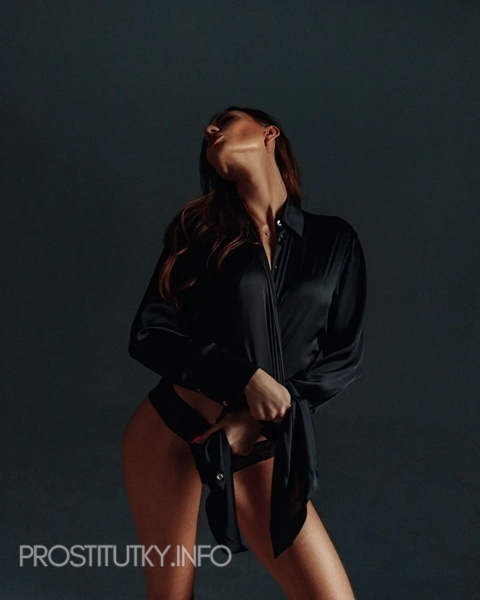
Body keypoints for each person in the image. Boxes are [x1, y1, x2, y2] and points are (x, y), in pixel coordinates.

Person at [122, 105, 367, 600]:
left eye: (226, 120)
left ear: (269, 133)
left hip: (258, 442)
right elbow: (150, 332)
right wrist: (245, 379)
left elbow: (343, 356)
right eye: (208, 129)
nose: (209, 129)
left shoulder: (334, 242)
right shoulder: (198, 230)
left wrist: (257, 416)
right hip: (169, 427)